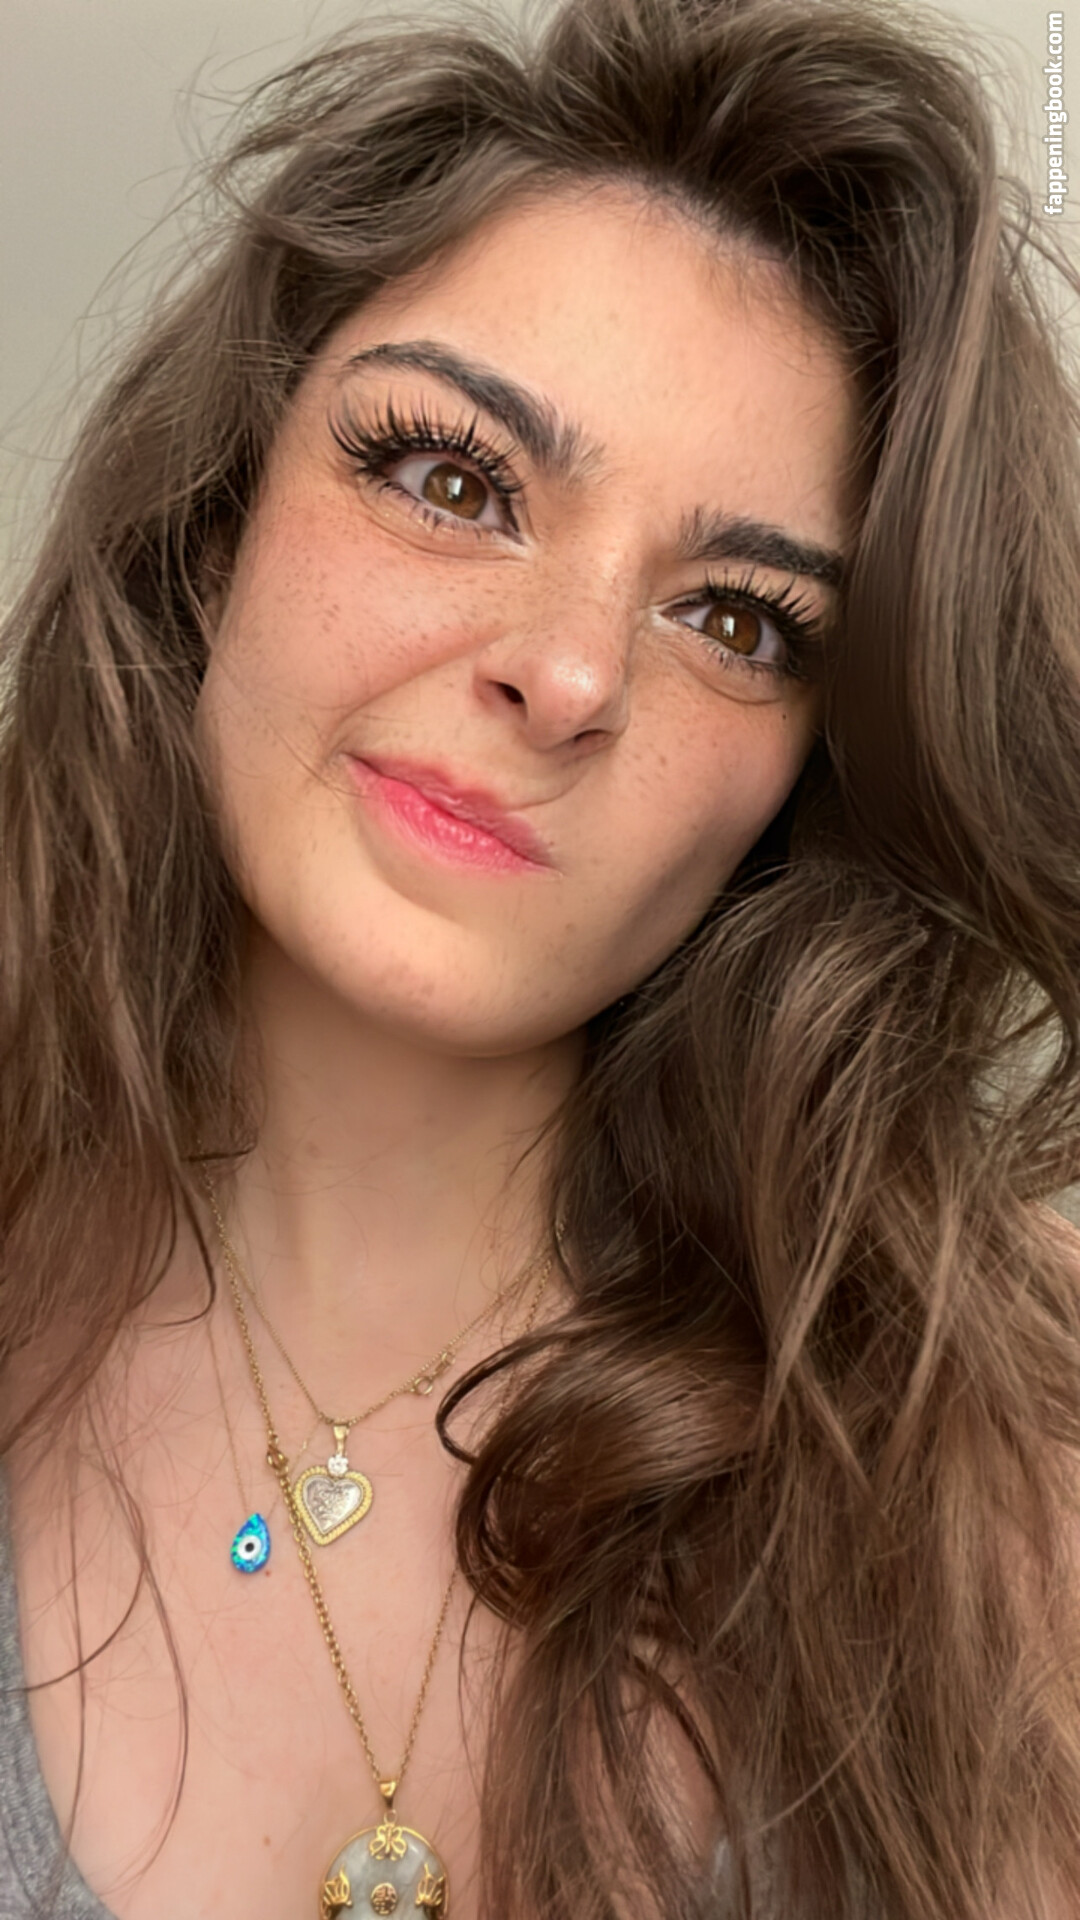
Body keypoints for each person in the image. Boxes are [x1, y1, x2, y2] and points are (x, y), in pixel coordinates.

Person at [1, 0, 1079, 1913]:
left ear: (807, 781)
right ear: (217, 515)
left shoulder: (991, 1449)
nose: (572, 674)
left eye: (736, 619)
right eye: (453, 480)